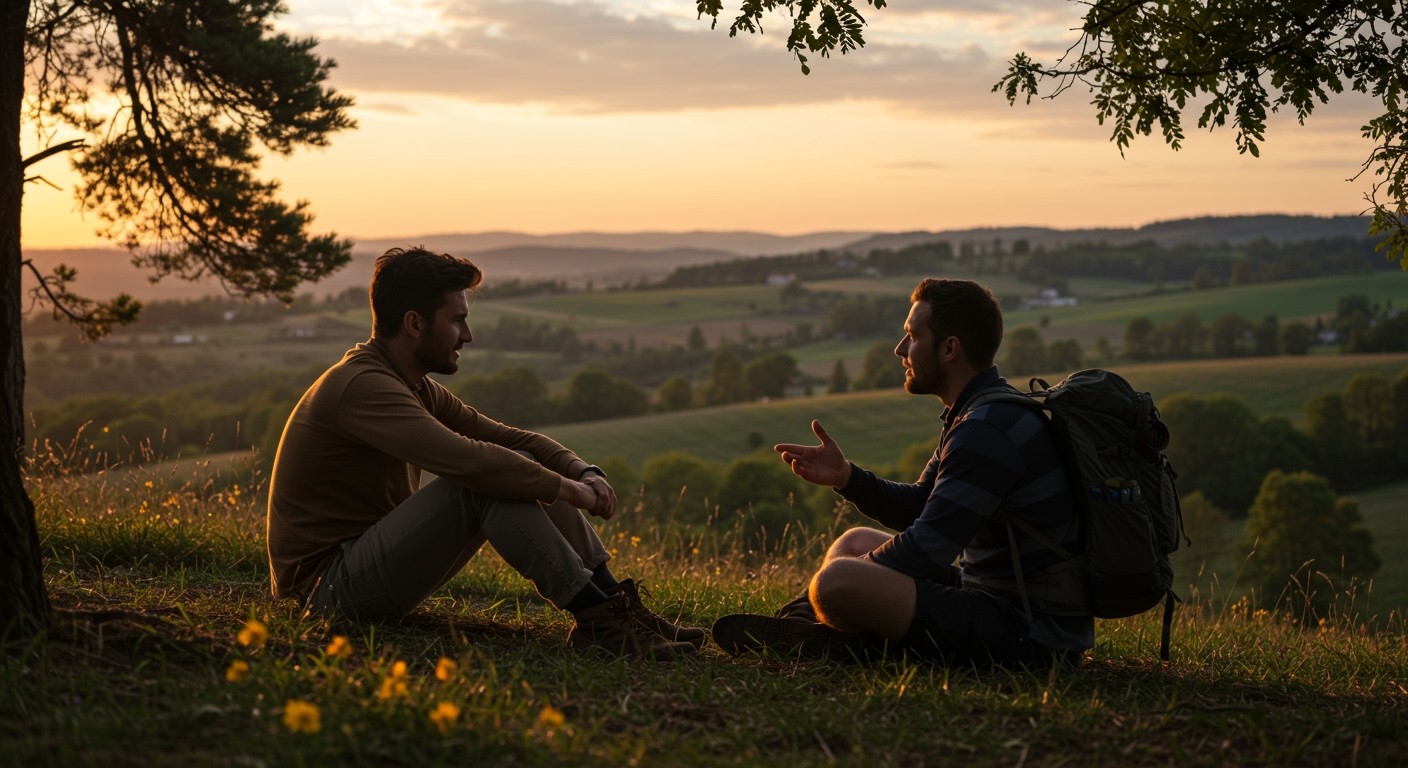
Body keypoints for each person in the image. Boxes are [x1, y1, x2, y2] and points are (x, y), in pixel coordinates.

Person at [266, 246, 704, 658]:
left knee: (509, 467)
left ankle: (615, 608)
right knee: (479, 484)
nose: (468, 335)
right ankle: (598, 621)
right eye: (456, 320)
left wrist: (582, 470)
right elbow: (473, 462)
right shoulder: (363, 387)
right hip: (322, 593)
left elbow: (510, 439)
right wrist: (574, 493)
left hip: (363, 568)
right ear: (415, 323)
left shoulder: (412, 386)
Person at [711, 278, 1092, 668]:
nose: (900, 349)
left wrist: (846, 583)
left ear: (949, 348)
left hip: (1031, 634)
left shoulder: (987, 430)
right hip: (996, 599)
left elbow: (926, 551)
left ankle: (829, 637)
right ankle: (804, 630)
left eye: (912, 336)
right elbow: (919, 506)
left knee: (836, 581)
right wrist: (847, 477)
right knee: (855, 541)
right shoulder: (979, 414)